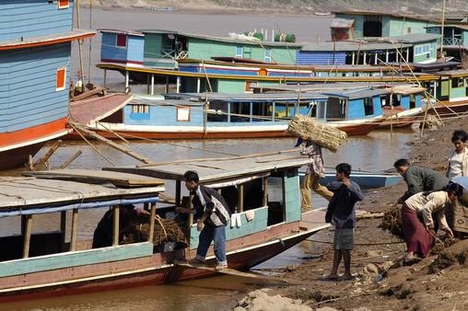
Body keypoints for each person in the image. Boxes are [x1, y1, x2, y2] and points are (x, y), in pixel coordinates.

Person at [176, 170, 231, 270]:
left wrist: (200, 222)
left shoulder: (201, 191)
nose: (185, 185)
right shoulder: (196, 194)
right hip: (211, 219)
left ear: (192, 182)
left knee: (218, 241)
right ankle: (200, 258)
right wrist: (184, 210)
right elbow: (198, 210)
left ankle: (222, 263)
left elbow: (210, 207)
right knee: (204, 237)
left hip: (219, 218)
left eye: (186, 182)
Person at [401, 182, 464, 262]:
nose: (456, 199)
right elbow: (426, 209)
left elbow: (440, 215)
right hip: (410, 207)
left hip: (419, 210)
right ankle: (410, 255)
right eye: (456, 197)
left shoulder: (444, 200)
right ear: (452, 194)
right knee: (418, 229)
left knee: (430, 233)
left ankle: (425, 254)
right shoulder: (440, 197)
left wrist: (446, 228)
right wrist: (430, 225)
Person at [324, 163, 364, 280]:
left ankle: (347, 273)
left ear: (342, 174)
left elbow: (360, 196)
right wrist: (344, 185)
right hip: (338, 222)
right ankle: (334, 272)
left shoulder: (353, 185)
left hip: (347, 222)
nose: (336, 175)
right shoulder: (339, 185)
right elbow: (329, 185)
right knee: (337, 248)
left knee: (345, 248)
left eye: (337, 173)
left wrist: (349, 187)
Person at [296, 137, 333, 212]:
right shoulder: (314, 144)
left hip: (313, 169)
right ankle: (333, 198)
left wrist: (303, 142)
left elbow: (303, 152)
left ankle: (305, 207)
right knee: (315, 186)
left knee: (304, 187)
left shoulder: (313, 145)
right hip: (317, 169)